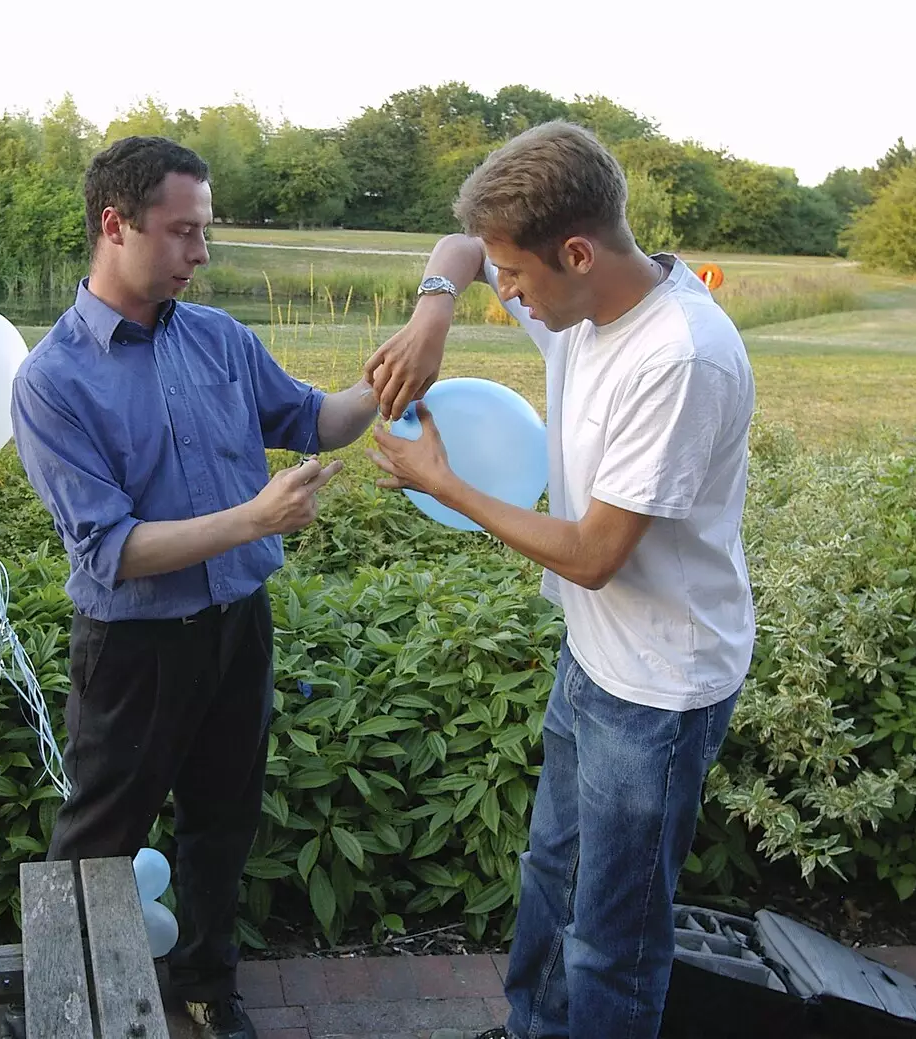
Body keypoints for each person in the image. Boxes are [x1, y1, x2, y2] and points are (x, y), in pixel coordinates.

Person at [364, 121, 756, 1039]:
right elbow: (463, 247)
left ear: (577, 251)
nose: (505, 292)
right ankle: (533, 1027)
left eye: (516, 276)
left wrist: (444, 484)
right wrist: (433, 314)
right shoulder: (583, 304)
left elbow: (592, 551)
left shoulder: (678, 356)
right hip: (596, 657)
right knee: (550, 875)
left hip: (659, 688)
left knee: (612, 939)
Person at [10, 135, 377, 1039]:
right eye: (182, 233)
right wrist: (254, 518)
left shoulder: (218, 338)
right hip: (134, 649)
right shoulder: (52, 380)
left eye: (203, 232)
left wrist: (389, 376)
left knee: (222, 822)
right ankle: (67, 1004)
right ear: (115, 224)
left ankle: (207, 986)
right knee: (97, 840)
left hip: (237, 628)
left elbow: (313, 420)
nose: (200, 254)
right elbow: (113, 550)